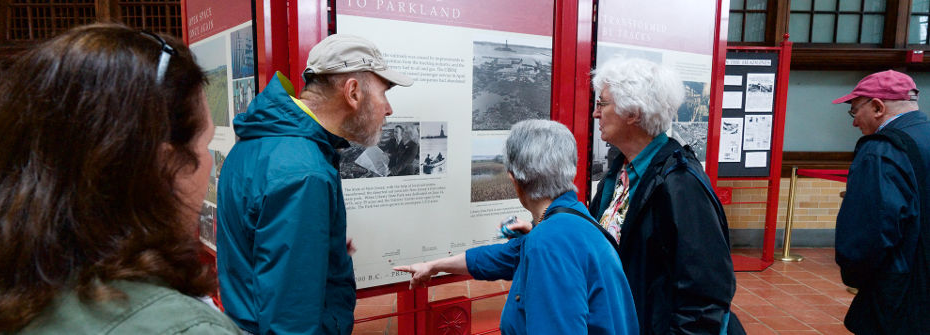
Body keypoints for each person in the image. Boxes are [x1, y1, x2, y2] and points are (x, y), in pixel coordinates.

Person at [0, 23, 240, 334]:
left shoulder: (12, 290)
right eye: (206, 145)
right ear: (165, 166)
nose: (209, 165)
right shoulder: (183, 328)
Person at [216, 34, 413, 334]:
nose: (388, 109)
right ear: (353, 92)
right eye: (384, 93)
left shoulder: (260, 140)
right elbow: (291, 320)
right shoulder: (304, 172)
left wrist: (324, 247)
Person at [395, 120, 639, 335]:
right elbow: (500, 257)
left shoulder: (549, 241)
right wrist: (433, 266)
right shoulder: (571, 219)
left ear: (515, 179)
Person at [588, 58, 742, 334]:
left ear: (632, 112)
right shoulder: (619, 172)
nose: (596, 114)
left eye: (602, 104)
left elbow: (705, 295)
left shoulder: (681, 184)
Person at [832, 70, 930, 334]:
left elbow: (869, 230)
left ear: (877, 107)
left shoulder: (881, 151)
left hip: (900, 290)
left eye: (854, 111)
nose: (854, 123)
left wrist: (854, 274)